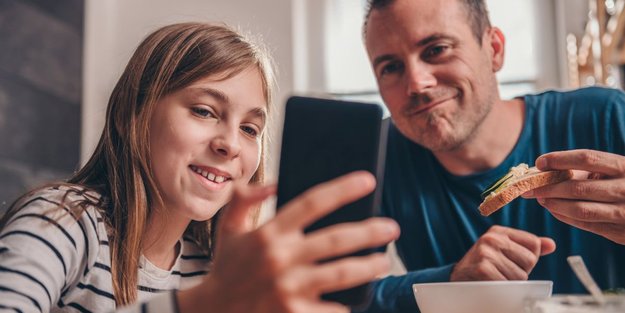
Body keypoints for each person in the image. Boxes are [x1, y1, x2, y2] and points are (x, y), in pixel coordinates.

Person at [0, 22, 401, 313]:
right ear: (131, 116)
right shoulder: (61, 222)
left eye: (249, 128)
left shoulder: (207, 265)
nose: (229, 144)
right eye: (205, 111)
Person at [359, 0, 625, 311]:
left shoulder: (606, 117)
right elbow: (338, 296)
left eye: (436, 49)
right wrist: (451, 280)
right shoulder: (377, 155)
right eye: (390, 67)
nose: (417, 83)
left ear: (494, 49)